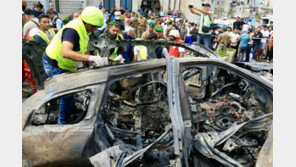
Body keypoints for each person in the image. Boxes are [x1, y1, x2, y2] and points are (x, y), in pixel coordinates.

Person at [42, 6, 105, 124]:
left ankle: (68, 110)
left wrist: (90, 65)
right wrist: (90, 57)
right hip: (54, 63)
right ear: (86, 22)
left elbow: (84, 46)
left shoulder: (84, 28)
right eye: (93, 26)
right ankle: (63, 123)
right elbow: (66, 52)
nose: (95, 29)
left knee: (71, 92)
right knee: (67, 95)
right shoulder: (73, 30)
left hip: (65, 64)